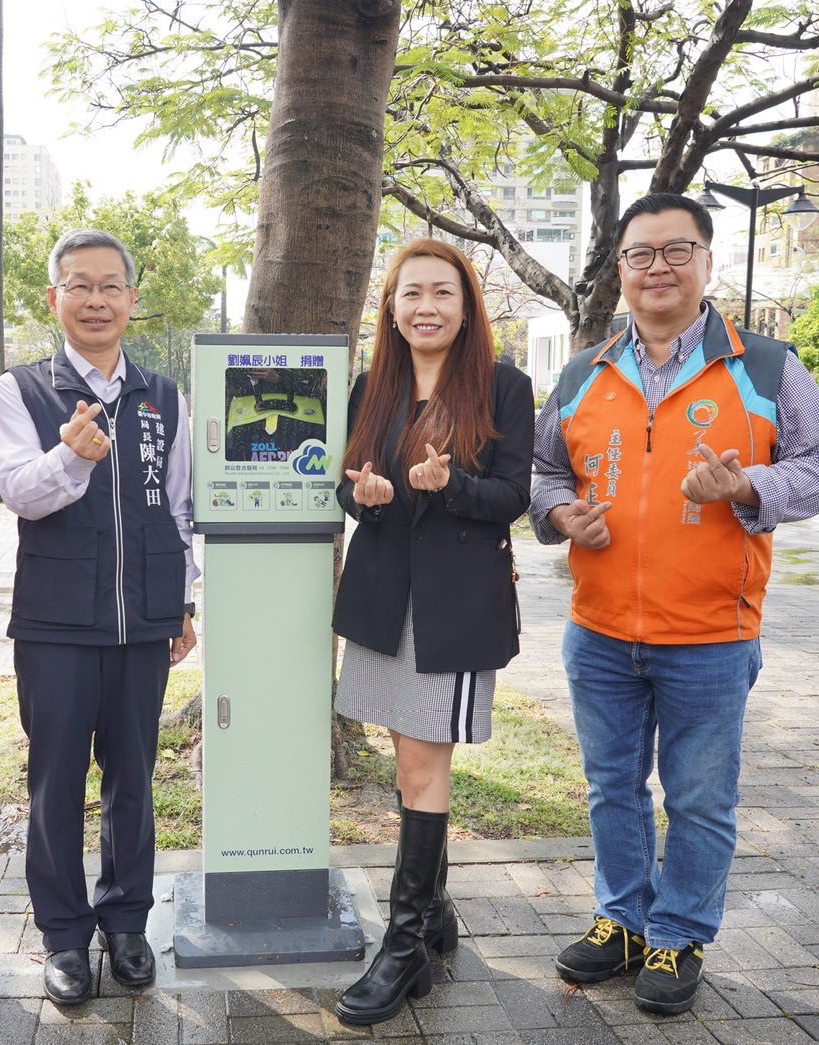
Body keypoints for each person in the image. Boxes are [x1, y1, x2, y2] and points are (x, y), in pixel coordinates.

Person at [531, 192, 819, 1016]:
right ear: (620, 270)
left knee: (699, 799)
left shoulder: (765, 367)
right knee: (611, 787)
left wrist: (747, 485)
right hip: (598, 630)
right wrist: (561, 514)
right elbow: (544, 469)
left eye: (677, 250)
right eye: (640, 254)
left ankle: (677, 933)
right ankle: (621, 920)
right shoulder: (584, 372)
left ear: (707, 260)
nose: (657, 267)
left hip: (710, 634)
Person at [0, 229, 198, 1006]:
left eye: (111, 286)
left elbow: (178, 507)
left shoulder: (163, 395)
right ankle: (65, 937)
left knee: (133, 780)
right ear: (55, 299)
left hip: (143, 621)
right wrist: (72, 455)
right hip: (55, 623)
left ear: (132, 300)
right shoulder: (20, 390)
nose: (96, 300)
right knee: (55, 784)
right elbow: (19, 492)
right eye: (79, 285)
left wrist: (181, 601)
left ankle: (127, 921)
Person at [331, 238, 534, 1026]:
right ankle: (436, 910)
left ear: (466, 305)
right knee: (407, 757)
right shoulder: (371, 386)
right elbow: (351, 485)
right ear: (390, 308)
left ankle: (406, 940)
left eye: (442, 293)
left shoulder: (502, 386)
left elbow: (511, 495)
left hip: (452, 609)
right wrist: (368, 494)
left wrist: (451, 486)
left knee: (423, 765)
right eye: (410, 293)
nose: (425, 306)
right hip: (382, 601)